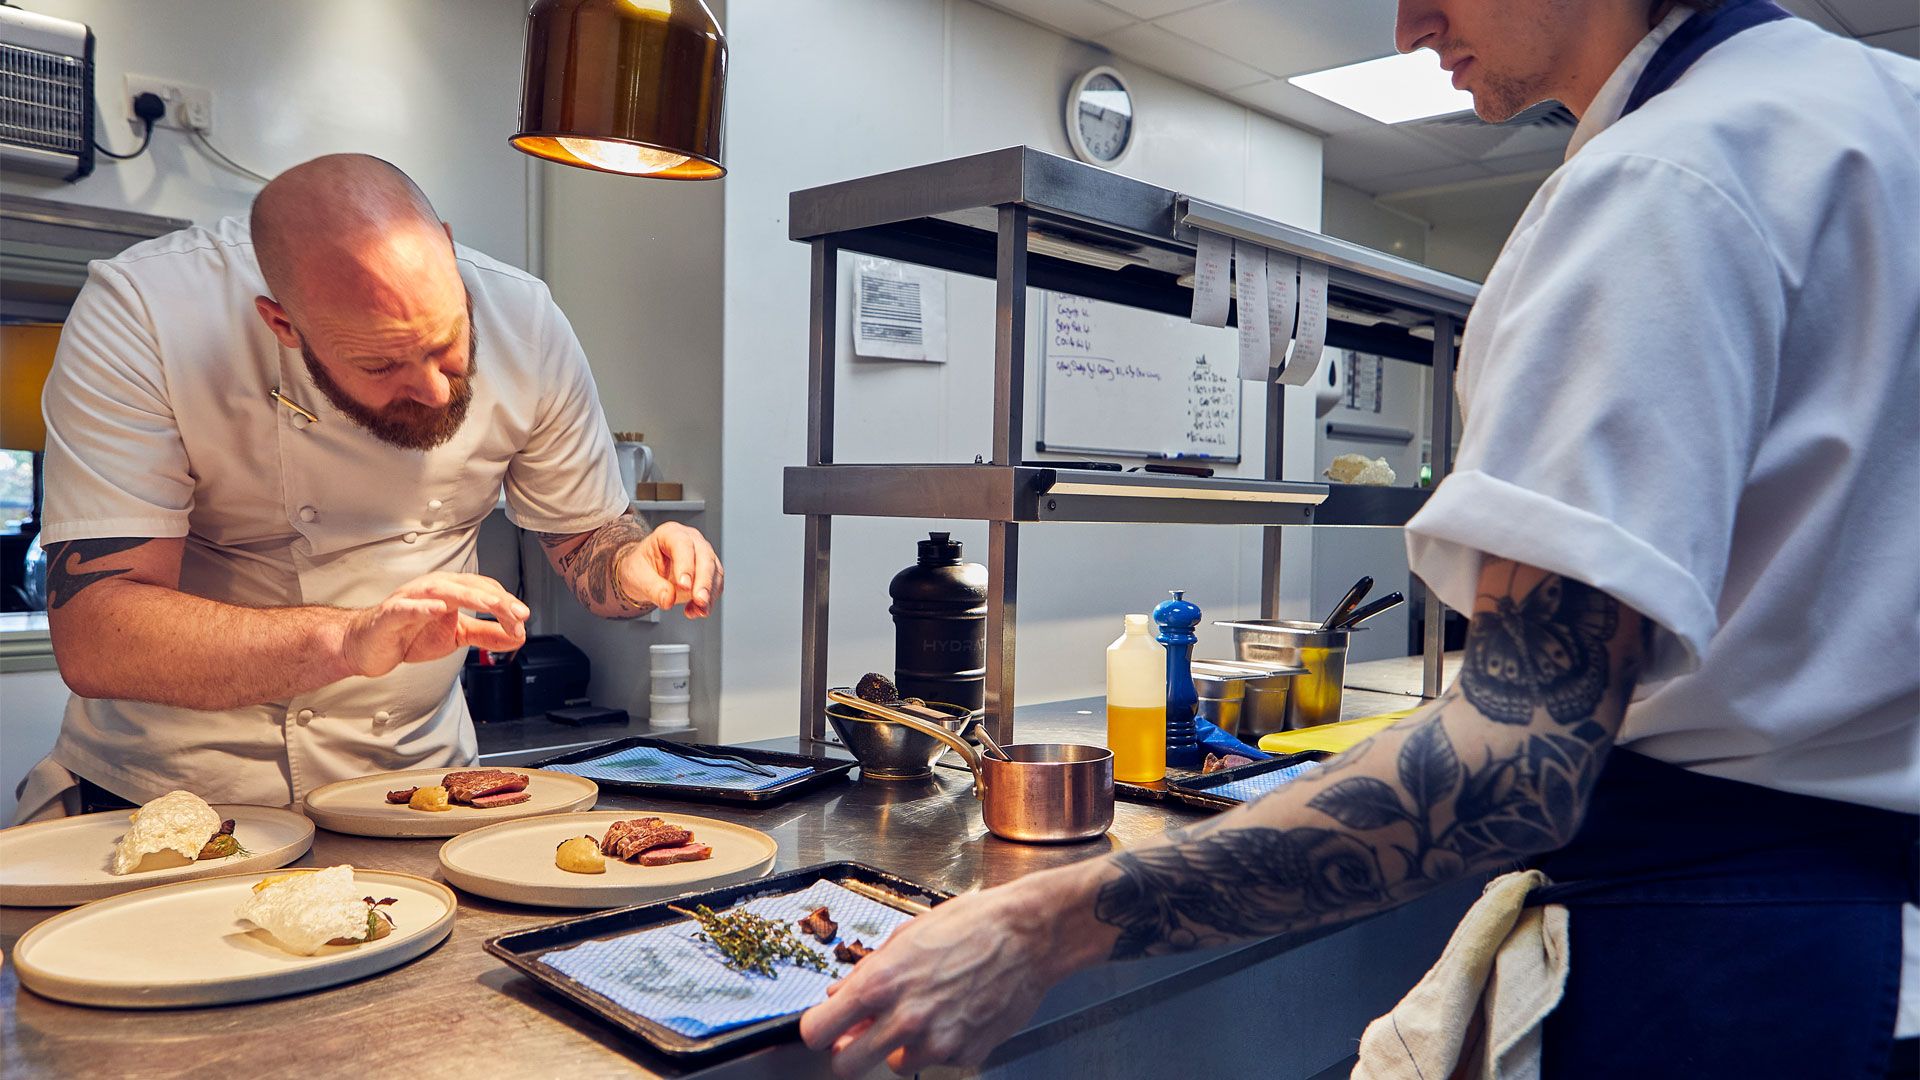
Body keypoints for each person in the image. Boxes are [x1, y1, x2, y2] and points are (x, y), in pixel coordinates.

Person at [800, 0, 1919, 1074]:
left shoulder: (1665, 176)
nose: (1408, 26)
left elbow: (1515, 768)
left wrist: (1042, 926)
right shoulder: (1880, 112)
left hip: (1749, 969)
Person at [17, 154, 722, 821]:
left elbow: (591, 541)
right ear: (283, 325)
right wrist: (351, 639)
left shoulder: (525, 321)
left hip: (419, 788)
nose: (434, 387)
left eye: (447, 341)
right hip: (171, 794)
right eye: (379, 364)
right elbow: (97, 634)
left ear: (447, 249)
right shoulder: (145, 312)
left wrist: (636, 569)